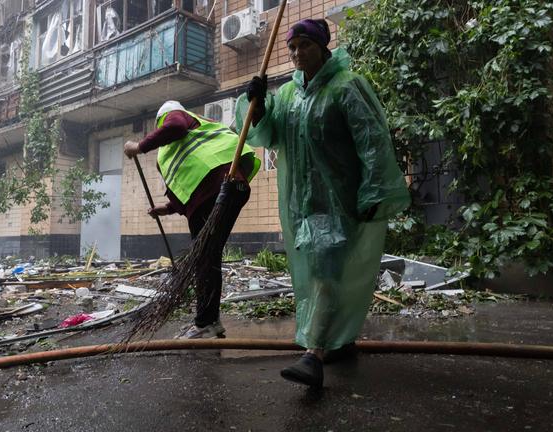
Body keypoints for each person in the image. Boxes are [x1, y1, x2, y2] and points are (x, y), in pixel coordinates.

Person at [240, 19, 410, 387]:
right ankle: (339, 343)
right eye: (293, 47)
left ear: (323, 46)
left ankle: (313, 355)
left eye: (305, 45)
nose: (298, 53)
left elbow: (373, 142)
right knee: (317, 273)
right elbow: (269, 135)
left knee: (326, 273)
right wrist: (256, 104)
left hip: (341, 202)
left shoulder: (346, 87)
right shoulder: (287, 95)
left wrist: (374, 191)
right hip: (302, 204)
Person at [124, 101, 261, 339]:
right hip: (220, 190)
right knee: (208, 256)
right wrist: (167, 208)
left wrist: (139, 146)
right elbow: (189, 181)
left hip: (219, 187)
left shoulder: (176, 115)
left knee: (205, 256)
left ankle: (205, 322)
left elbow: (175, 125)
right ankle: (210, 321)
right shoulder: (174, 148)